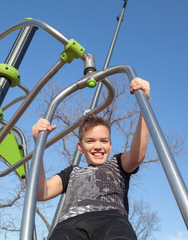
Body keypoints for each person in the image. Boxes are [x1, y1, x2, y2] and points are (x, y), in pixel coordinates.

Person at [32, 77, 151, 240]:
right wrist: (39, 146)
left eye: (104, 141)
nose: (97, 146)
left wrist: (145, 106)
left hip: (112, 218)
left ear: (110, 145)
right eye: (90, 141)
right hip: (71, 223)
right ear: (80, 147)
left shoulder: (117, 163)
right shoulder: (71, 173)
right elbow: (41, 193)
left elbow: (137, 156)